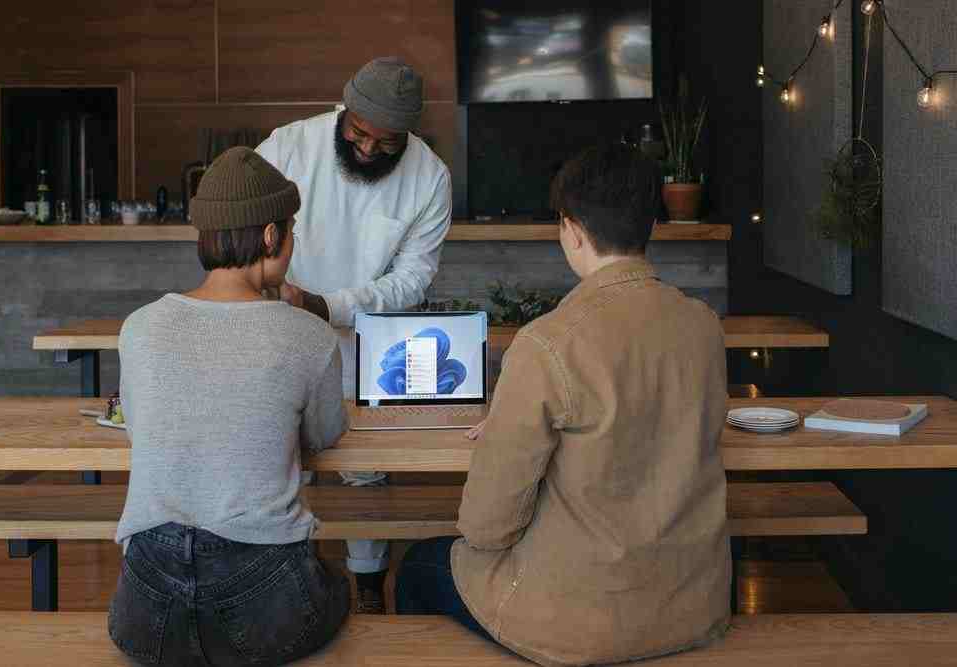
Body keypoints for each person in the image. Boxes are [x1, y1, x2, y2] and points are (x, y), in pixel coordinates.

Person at [395, 144, 731, 666]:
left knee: (419, 566)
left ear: (571, 229)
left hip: (583, 623)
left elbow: (488, 525)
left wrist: (510, 427)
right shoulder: (703, 325)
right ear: (650, 225)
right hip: (692, 603)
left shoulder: (548, 342)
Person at [109, 147, 350, 666]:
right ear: (271, 236)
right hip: (264, 607)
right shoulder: (309, 335)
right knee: (341, 588)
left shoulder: (139, 328)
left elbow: (143, 428)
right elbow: (325, 435)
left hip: (145, 613)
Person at [256, 56, 452, 613]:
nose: (368, 149)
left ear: (408, 134)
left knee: (366, 472)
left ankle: (369, 590)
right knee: (277, 461)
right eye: (359, 134)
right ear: (344, 110)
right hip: (278, 334)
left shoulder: (430, 176)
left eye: (386, 143)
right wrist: (276, 289)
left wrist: (327, 305)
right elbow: (246, 230)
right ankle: (282, 586)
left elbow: (413, 278)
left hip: (365, 343)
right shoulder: (287, 147)